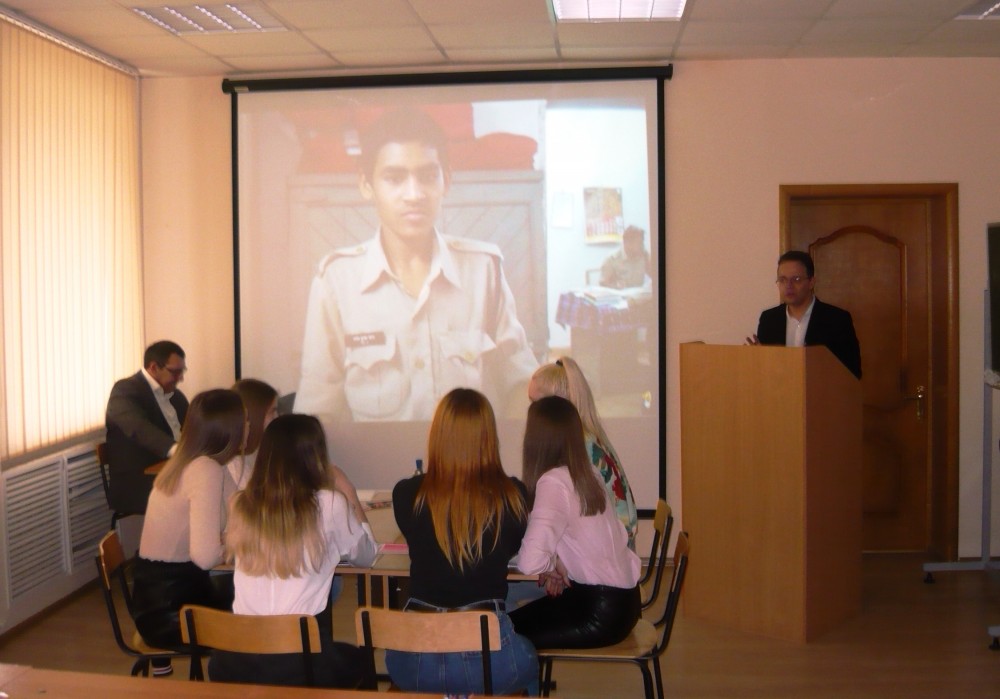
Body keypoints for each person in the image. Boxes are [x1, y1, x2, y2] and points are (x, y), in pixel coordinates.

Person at [294, 107, 538, 424]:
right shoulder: (336, 281)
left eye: (427, 176)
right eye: (394, 178)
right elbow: (318, 410)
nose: (414, 194)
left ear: (446, 180)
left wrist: (505, 448)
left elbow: (522, 384)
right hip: (373, 458)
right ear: (366, 184)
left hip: (472, 455)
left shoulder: (483, 270)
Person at [386, 388, 538, 696]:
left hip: (414, 664)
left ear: (437, 435)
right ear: (489, 438)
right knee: (530, 659)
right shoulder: (513, 496)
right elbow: (509, 549)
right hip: (488, 662)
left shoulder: (406, 494)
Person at [210, 414, 377, 688]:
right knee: (360, 659)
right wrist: (348, 491)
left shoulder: (240, 504)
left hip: (235, 660)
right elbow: (367, 556)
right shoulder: (329, 503)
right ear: (316, 457)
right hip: (299, 662)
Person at [510, 395, 641, 649]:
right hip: (624, 604)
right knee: (508, 626)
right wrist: (558, 563)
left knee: (503, 635)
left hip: (597, 613)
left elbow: (529, 562)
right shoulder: (588, 473)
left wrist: (551, 565)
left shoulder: (554, 482)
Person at [131, 389, 244, 658]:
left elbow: (238, 512)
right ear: (230, 431)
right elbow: (206, 557)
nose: (248, 428)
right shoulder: (204, 469)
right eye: (245, 422)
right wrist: (231, 545)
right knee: (264, 602)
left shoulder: (195, 462)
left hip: (161, 599)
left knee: (255, 592)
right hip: (172, 612)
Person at [528, 357, 638, 549]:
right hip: (615, 554)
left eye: (536, 405)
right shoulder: (589, 437)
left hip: (608, 557)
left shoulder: (580, 448)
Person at [746, 250, 862, 379]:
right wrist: (757, 358)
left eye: (796, 279)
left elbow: (852, 372)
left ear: (811, 282)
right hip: (779, 389)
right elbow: (763, 372)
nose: (789, 286)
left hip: (821, 390)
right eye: (783, 280)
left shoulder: (837, 320)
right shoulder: (769, 319)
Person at [105, 340, 189, 515]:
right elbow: (138, 428)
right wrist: (176, 450)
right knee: (198, 491)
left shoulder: (175, 395)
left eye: (182, 371)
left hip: (169, 471)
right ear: (154, 367)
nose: (180, 378)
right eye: (175, 372)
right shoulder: (125, 390)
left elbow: (192, 426)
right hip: (136, 483)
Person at [227, 378, 279, 491]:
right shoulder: (234, 464)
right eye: (272, 411)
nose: (277, 417)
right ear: (255, 415)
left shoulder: (260, 451)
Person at [599, 225, 650, 289]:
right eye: (639, 243)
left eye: (642, 243)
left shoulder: (644, 255)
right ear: (627, 243)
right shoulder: (611, 259)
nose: (642, 246)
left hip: (639, 294)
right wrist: (615, 286)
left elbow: (655, 275)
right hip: (620, 294)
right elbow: (602, 284)